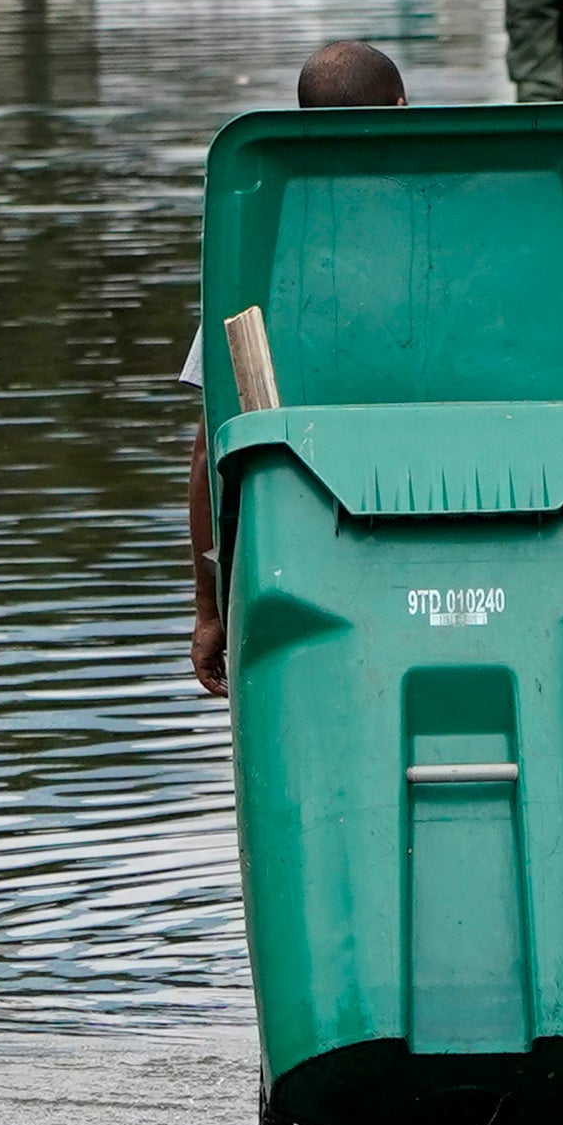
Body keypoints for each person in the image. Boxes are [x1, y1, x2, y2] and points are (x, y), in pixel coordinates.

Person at [189, 40, 407, 690]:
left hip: (300, 566)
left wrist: (210, 609)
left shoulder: (261, 254)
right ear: (403, 110)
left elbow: (210, 451)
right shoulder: (470, 237)